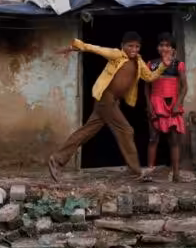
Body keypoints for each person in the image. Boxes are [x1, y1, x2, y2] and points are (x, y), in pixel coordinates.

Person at [48, 32, 167, 183]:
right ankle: (136, 170)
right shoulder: (117, 55)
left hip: (111, 102)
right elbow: (96, 49)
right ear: (123, 46)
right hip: (106, 98)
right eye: (130, 46)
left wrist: (163, 65)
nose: (134, 49)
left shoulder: (138, 61)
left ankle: (56, 159)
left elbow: (149, 77)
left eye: (137, 46)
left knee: (86, 132)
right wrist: (75, 46)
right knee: (126, 130)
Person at [144, 33, 192, 183]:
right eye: (161, 45)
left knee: (174, 141)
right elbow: (147, 87)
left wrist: (179, 103)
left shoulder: (178, 65)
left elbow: (184, 87)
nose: (164, 48)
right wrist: (148, 105)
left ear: (173, 49)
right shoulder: (151, 64)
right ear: (158, 48)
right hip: (155, 103)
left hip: (172, 105)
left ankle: (176, 173)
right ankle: (149, 173)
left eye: (167, 45)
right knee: (153, 138)